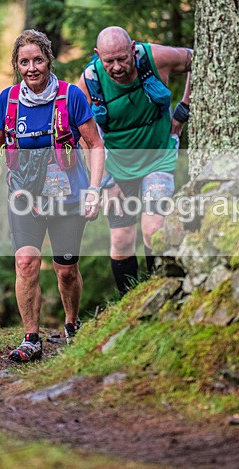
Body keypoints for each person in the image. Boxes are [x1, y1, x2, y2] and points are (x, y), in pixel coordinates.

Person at [0, 30, 104, 362]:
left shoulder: (71, 96)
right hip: (24, 199)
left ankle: (72, 326)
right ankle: (31, 338)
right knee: (26, 262)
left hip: (68, 199)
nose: (31, 68)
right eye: (24, 62)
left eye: (37, 59)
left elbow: (94, 143)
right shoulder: (9, 100)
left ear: (49, 59)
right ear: (17, 65)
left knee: (65, 270)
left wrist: (94, 189)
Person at [77, 26, 192, 296]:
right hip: (116, 168)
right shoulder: (88, 82)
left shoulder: (155, 58)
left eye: (122, 59)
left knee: (154, 230)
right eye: (109, 61)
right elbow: (86, 138)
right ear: (97, 55)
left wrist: (184, 109)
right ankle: (129, 303)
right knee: (121, 240)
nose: (117, 67)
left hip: (158, 158)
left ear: (132, 49)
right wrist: (104, 181)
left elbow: (199, 59)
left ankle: (158, 294)